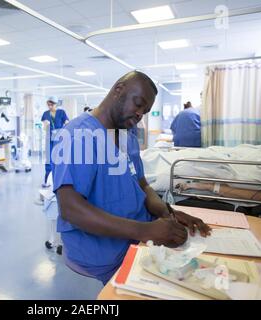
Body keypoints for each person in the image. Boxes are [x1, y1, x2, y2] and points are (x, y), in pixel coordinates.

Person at [52, 71, 211, 284]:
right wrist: (146, 231)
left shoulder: (127, 133)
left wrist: (168, 213)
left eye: (144, 111)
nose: (139, 115)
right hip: (103, 256)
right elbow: (71, 209)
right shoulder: (78, 135)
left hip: (137, 241)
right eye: (138, 104)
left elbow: (142, 184)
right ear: (119, 90)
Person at [41, 96, 69, 188]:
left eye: (51, 104)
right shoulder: (45, 114)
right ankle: (47, 179)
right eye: (48, 105)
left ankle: (62, 180)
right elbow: (44, 127)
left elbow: (67, 123)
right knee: (49, 159)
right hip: (49, 138)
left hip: (60, 138)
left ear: (56, 104)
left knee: (60, 159)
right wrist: (46, 125)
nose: (49, 106)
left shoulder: (61, 112)